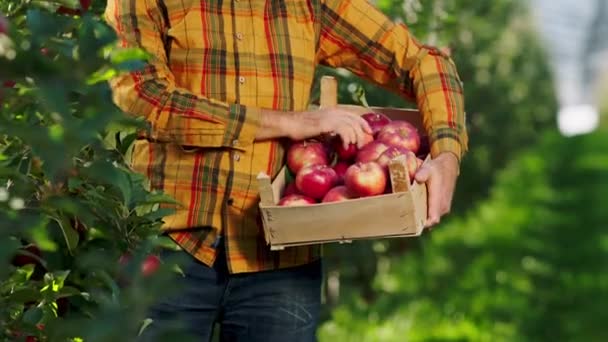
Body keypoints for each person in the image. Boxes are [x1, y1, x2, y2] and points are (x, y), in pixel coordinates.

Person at [104, 0, 468, 341]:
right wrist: (293, 122)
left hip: (281, 257)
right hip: (169, 243)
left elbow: (421, 60)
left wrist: (447, 155)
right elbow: (143, 94)